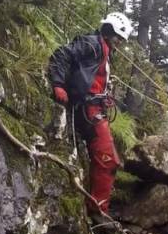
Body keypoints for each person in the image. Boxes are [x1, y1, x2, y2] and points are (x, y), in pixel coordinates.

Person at [47, 12, 132, 215]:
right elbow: (62, 54)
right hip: (88, 109)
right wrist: (58, 84)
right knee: (108, 160)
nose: (119, 42)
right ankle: (99, 210)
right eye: (118, 37)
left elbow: (92, 78)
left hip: (94, 107)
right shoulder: (92, 44)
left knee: (106, 159)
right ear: (110, 31)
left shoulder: (102, 49)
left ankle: (97, 206)